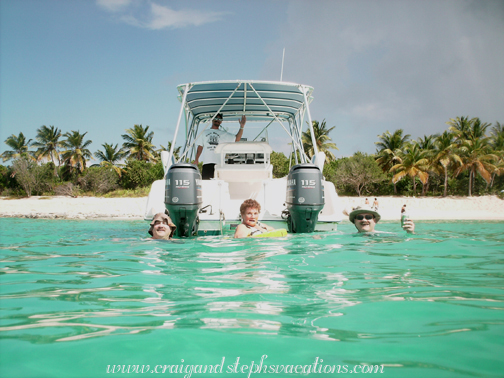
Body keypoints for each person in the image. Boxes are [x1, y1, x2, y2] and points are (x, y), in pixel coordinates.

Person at [194, 113, 247, 180]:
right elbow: (200, 147)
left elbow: (237, 139)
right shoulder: (204, 133)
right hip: (207, 163)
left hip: (219, 164)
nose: (217, 120)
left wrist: (242, 126)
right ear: (212, 119)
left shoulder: (224, 134)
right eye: (215, 118)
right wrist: (196, 159)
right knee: (207, 185)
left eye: (219, 119)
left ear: (221, 121)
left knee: (219, 185)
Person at [349, 206, 415, 234]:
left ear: (374, 221)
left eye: (368, 217)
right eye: (359, 217)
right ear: (354, 221)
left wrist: (410, 233)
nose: (364, 220)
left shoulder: (385, 236)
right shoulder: (348, 237)